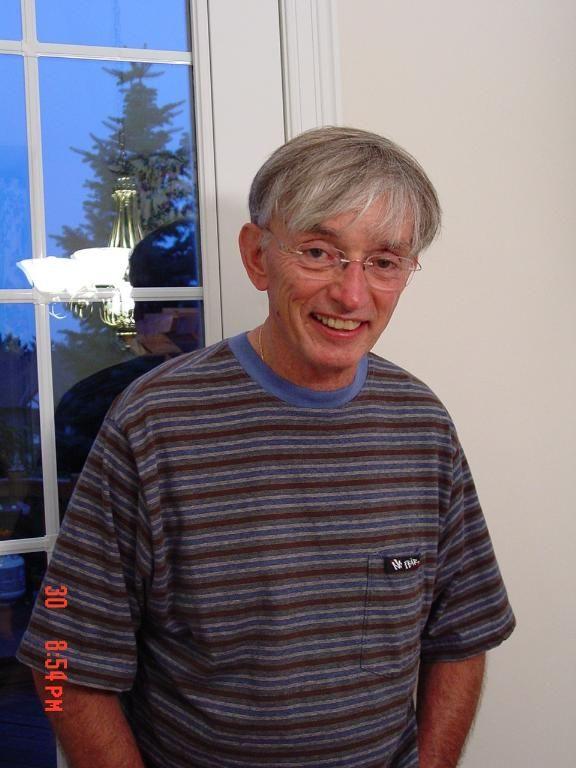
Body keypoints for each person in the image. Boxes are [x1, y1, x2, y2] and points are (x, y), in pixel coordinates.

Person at [18, 126, 515, 768]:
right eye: (318, 252)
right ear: (257, 256)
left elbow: (462, 634)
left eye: (384, 262)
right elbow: (61, 658)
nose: (352, 294)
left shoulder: (422, 425)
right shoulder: (154, 424)